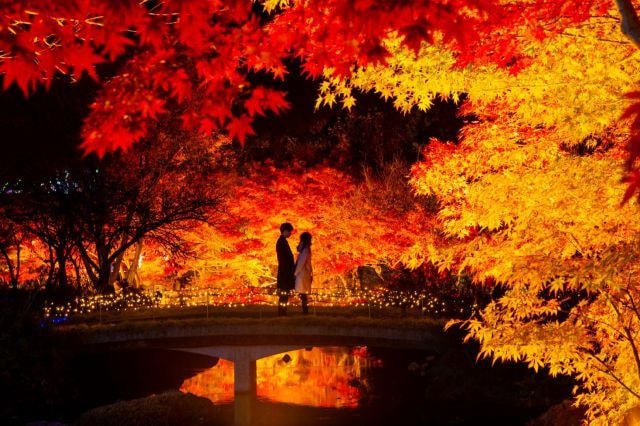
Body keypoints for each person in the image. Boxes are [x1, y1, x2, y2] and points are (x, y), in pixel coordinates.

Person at [276, 222, 295, 316]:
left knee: (284, 294)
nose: (290, 233)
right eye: (289, 231)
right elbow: (283, 259)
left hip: (285, 271)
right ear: (285, 231)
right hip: (285, 272)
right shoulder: (281, 242)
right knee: (284, 294)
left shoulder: (282, 241)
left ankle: (282, 312)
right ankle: (282, 313)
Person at [294, 232, 313, 315]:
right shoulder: (306, 249)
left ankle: (305, 312)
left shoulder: (304, 250)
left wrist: (295, 273)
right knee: (303, 294)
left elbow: (301, 262)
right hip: (304, 273)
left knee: (303, 294)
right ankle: (305, 311)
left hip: (302, 274)